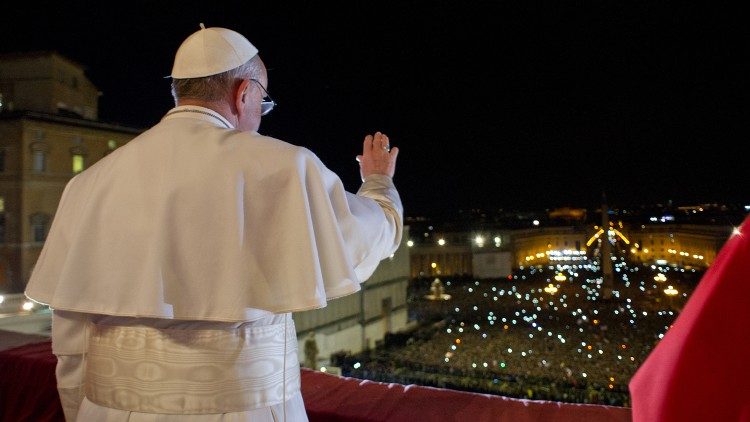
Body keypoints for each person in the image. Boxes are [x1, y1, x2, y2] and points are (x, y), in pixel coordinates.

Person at [24, 24, 402, 422]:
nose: (259, 114)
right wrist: (378, 182)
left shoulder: (88, 183)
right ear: (244, 93)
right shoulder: (285, 167)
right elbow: (366, 238)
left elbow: (70, 342)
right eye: (262, 102)